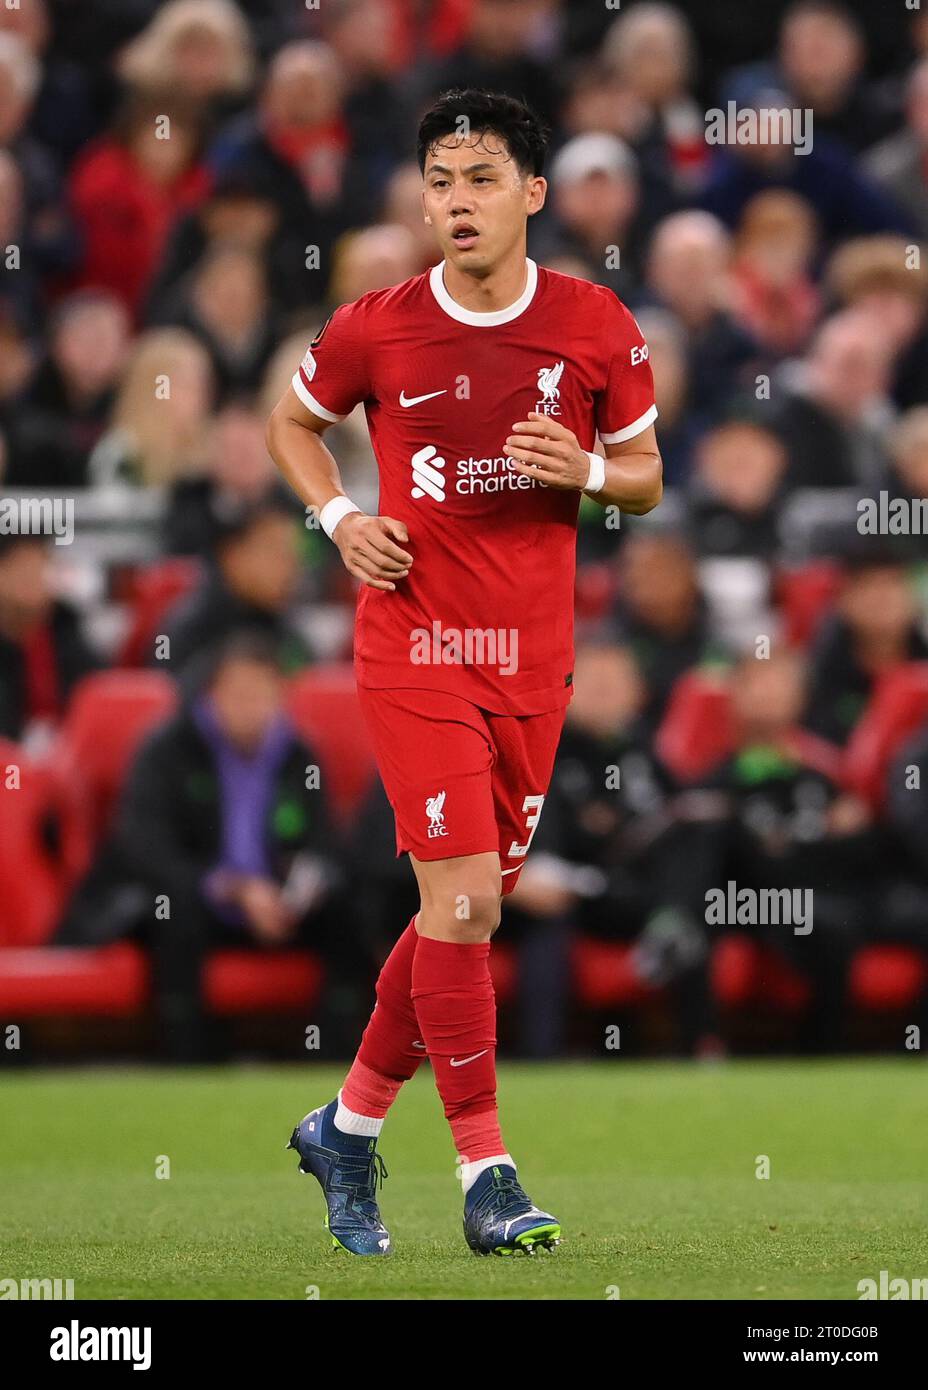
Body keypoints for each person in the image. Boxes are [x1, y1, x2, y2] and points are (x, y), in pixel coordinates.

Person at [266, 89, 662, 1258]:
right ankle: (486, 1175)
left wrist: (586, 464)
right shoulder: (375, 326)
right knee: (470, 905)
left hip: (534, 666)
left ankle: (343, 1126)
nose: (456, 201)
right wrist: (337, 514)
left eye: (481, 178)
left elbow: (644, 476)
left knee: (452, 914)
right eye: (439, 180)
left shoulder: (595, 324)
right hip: (416, 645)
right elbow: (294, 425)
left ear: (531, 193)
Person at [58, 633, 349, 1063]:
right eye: (240, 694)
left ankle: (336, 1058)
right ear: (213, 694)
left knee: (347, 908)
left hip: (277, 906)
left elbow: (325, 845)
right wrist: (232, 889)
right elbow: (144, 847)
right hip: (199, 898)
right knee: (174, 910)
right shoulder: (167, 749)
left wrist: (302, 888)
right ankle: (187, 1058)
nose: (253, 709)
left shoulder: (299, 755)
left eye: (265, 695)